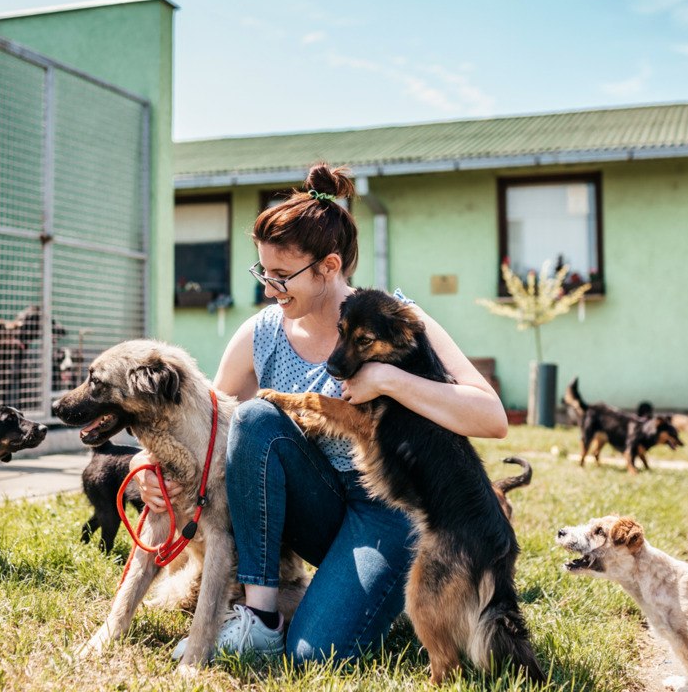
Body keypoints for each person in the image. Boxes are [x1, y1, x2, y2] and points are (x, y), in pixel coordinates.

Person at [135, 163, 508, 664]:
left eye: (281, 276)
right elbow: (204, 427)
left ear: (328, 267)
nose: (269, 288)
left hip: (387, 512)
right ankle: (260, 615)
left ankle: (377, 592)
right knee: (254, 418)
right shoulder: (261, 333)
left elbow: (491, 417)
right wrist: (147, 468)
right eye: (262, 273)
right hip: (312, 507)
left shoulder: (393, 319)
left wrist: (388, 379)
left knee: (315, 654)